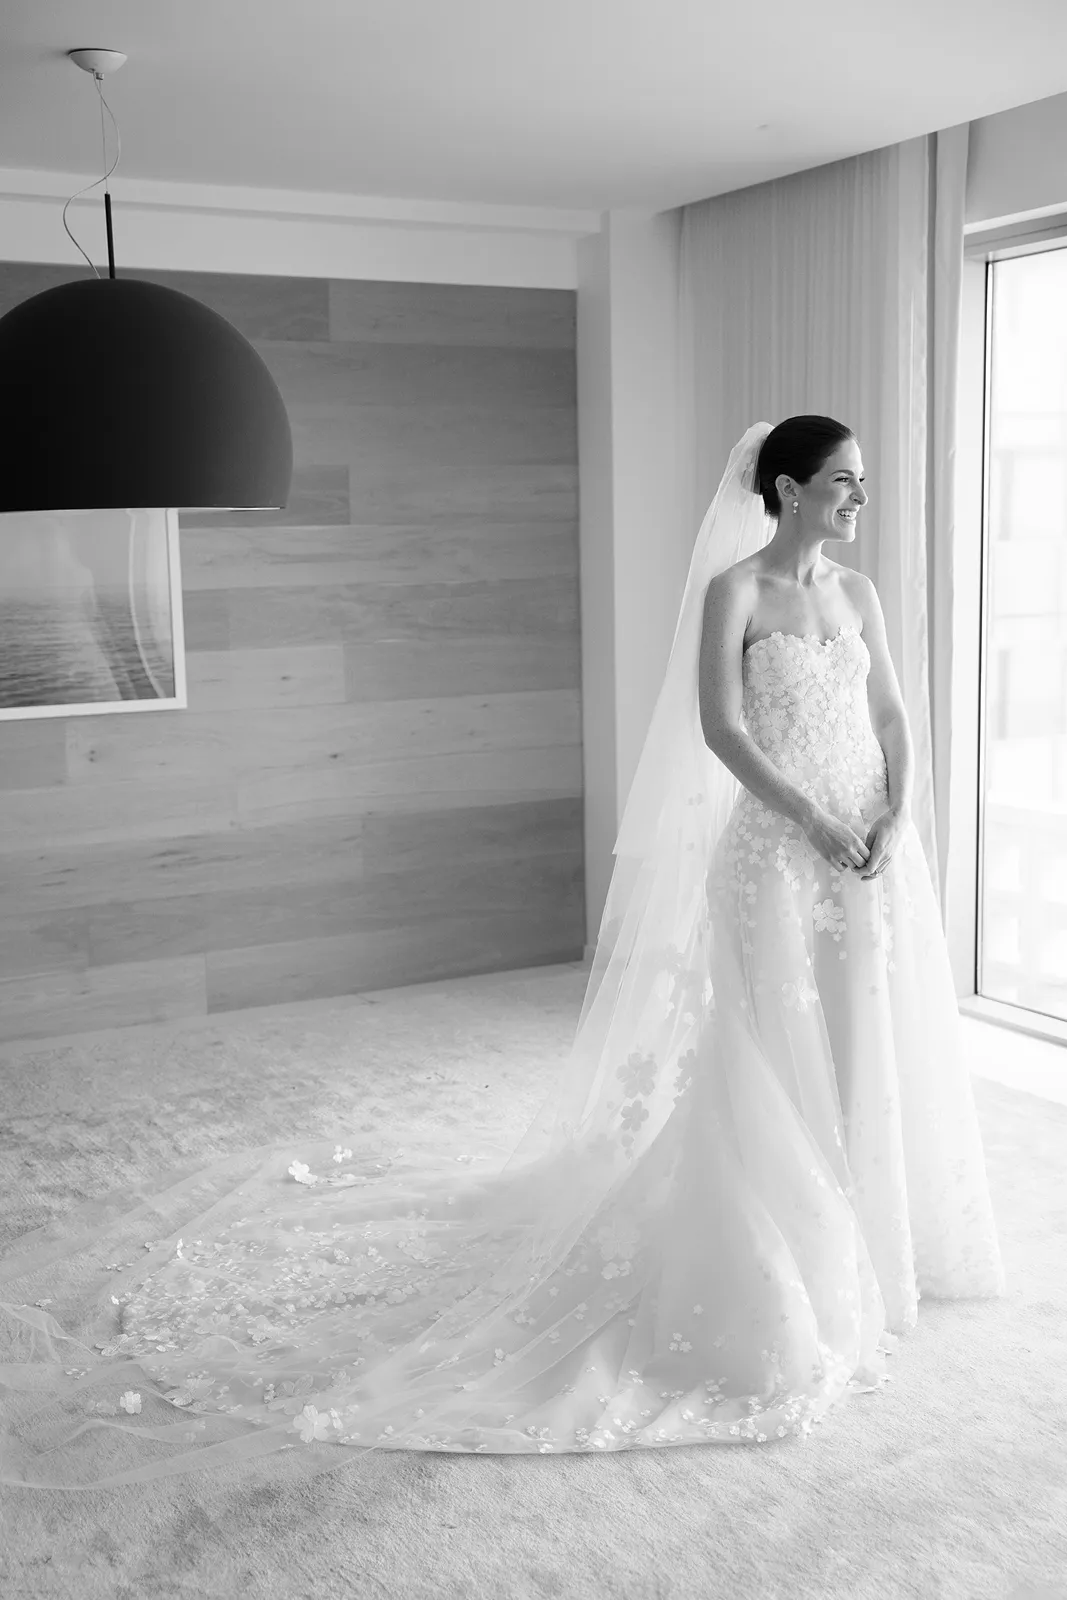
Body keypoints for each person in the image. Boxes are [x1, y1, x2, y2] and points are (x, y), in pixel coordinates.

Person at [0, 417, 1005, 1492]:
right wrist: (808, 815)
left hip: (864, 851)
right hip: (779, 848)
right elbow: (721, 730)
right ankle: (788, 1258)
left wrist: (893, 815)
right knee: (772, 1052)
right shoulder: (738, 593)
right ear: (788, 487)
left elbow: (892, 715)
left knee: (861, 1041)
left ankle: (869, 1235)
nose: (860, 496)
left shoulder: (857, 596)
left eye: (861, 481)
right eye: (844, 480)